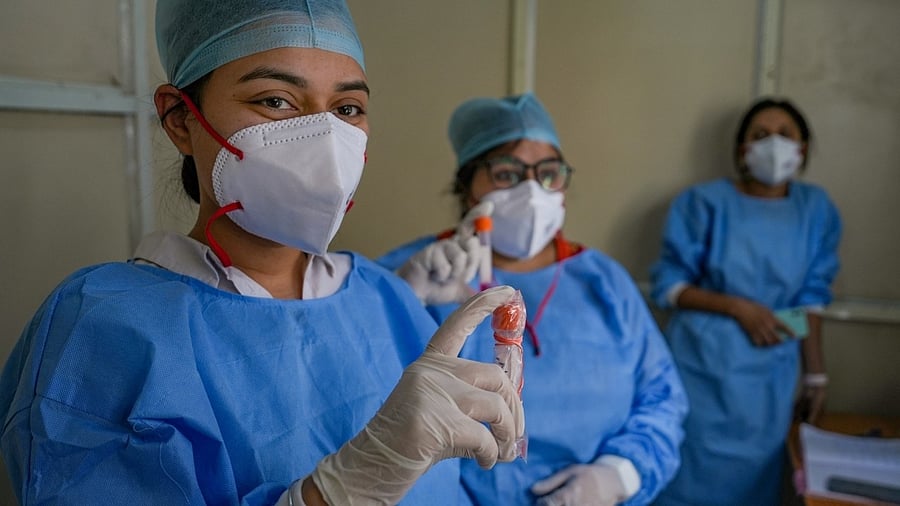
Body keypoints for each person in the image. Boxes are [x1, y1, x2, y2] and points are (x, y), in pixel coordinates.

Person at [0, 1, 525, 504]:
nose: (325, 136)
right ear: (181, 118)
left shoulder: (387, 297)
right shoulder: (101, 329)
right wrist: (339, 492)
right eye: (276, 100)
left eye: (347, 108)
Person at [378, 93, 688, 506]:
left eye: (548, 173)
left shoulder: (604, 282)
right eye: (507, 173)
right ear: (468, 187)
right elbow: (351, 396)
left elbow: (661, 398)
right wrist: (399, 300)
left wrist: (617, 475)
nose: (531, 190)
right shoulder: (413, 274)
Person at [649, 97, 842, 505]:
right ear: (742, 150)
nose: (774, 143)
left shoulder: (816, 210)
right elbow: (668, 286)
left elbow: (811, 302)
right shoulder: (703, 203)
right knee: (684, 472)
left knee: (754, 483)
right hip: (699, 369)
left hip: (768, 377)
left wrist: (816, 375)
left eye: (785, 135)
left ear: (803, 148)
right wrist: (738, 307)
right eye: (760, 135)